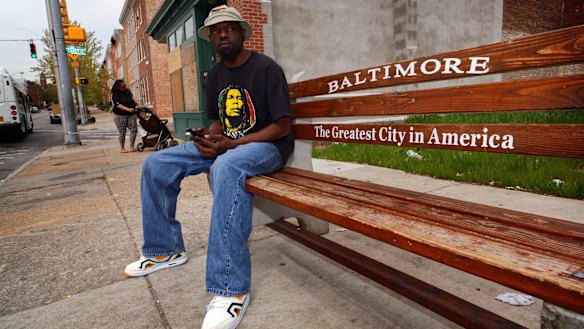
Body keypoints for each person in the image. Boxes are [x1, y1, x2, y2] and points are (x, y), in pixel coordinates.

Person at [124, 5, 294, 329]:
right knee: (157, 163)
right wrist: (208, 137)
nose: (222, 34)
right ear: (210, 38)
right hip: (228, 146)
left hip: (268, 148)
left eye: (229, 28)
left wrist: (232, 145)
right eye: (216, 30)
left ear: (243, 32)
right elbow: (218, 122)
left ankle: (231, 290)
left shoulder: (267, 69)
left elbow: (283, 125)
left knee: (226, 167)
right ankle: (164, 250)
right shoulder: (215, 75)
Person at [111, 80, 139, 153]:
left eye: (125, 85)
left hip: (131, 114)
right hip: (120, 115)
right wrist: (128, 109)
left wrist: (135, 101)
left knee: (134, 129)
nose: (125, 87)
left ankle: (131, 146)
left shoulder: (127, 91)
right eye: (123, 86)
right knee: (122, 132)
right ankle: (122, 148)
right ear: (118, 88)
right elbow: (118, 105)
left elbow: (132, 97)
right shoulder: (115, 94)